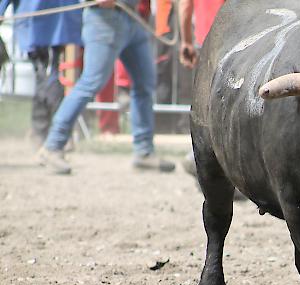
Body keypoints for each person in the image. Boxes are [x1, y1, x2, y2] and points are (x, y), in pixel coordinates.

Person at [39, 0, 175, 175]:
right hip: (105, 16)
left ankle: (144, 152)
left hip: (131, 15)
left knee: (145, 83)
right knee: (91, 82)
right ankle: (53, 145)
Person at [0, 0, 82, 147]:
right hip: (45, 26)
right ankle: (51, 134)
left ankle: (42, 132)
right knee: (50, 78)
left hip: (51, 24)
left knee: (46, 77)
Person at [177, 0, 225, 176]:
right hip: (233, 36)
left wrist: (186, 41)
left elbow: (185, 5)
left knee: (205, 104)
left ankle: (198, 157)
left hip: (204, 38)